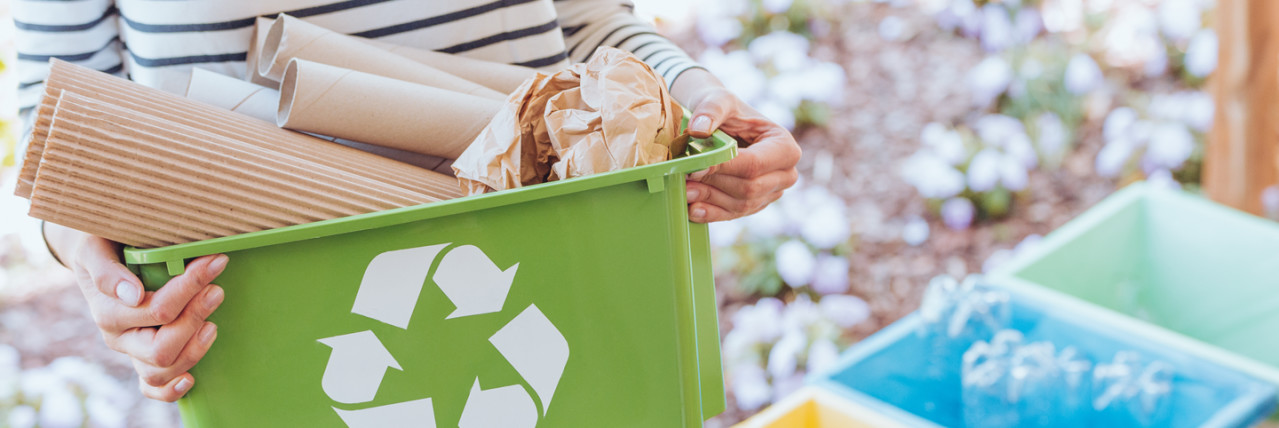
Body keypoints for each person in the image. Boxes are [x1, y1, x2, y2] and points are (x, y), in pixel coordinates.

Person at [17, 0, 801, 402]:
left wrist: (702, 106)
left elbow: (585, 22)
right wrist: (94, 263)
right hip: (263, 307)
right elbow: (59, 109)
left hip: (558, 252)